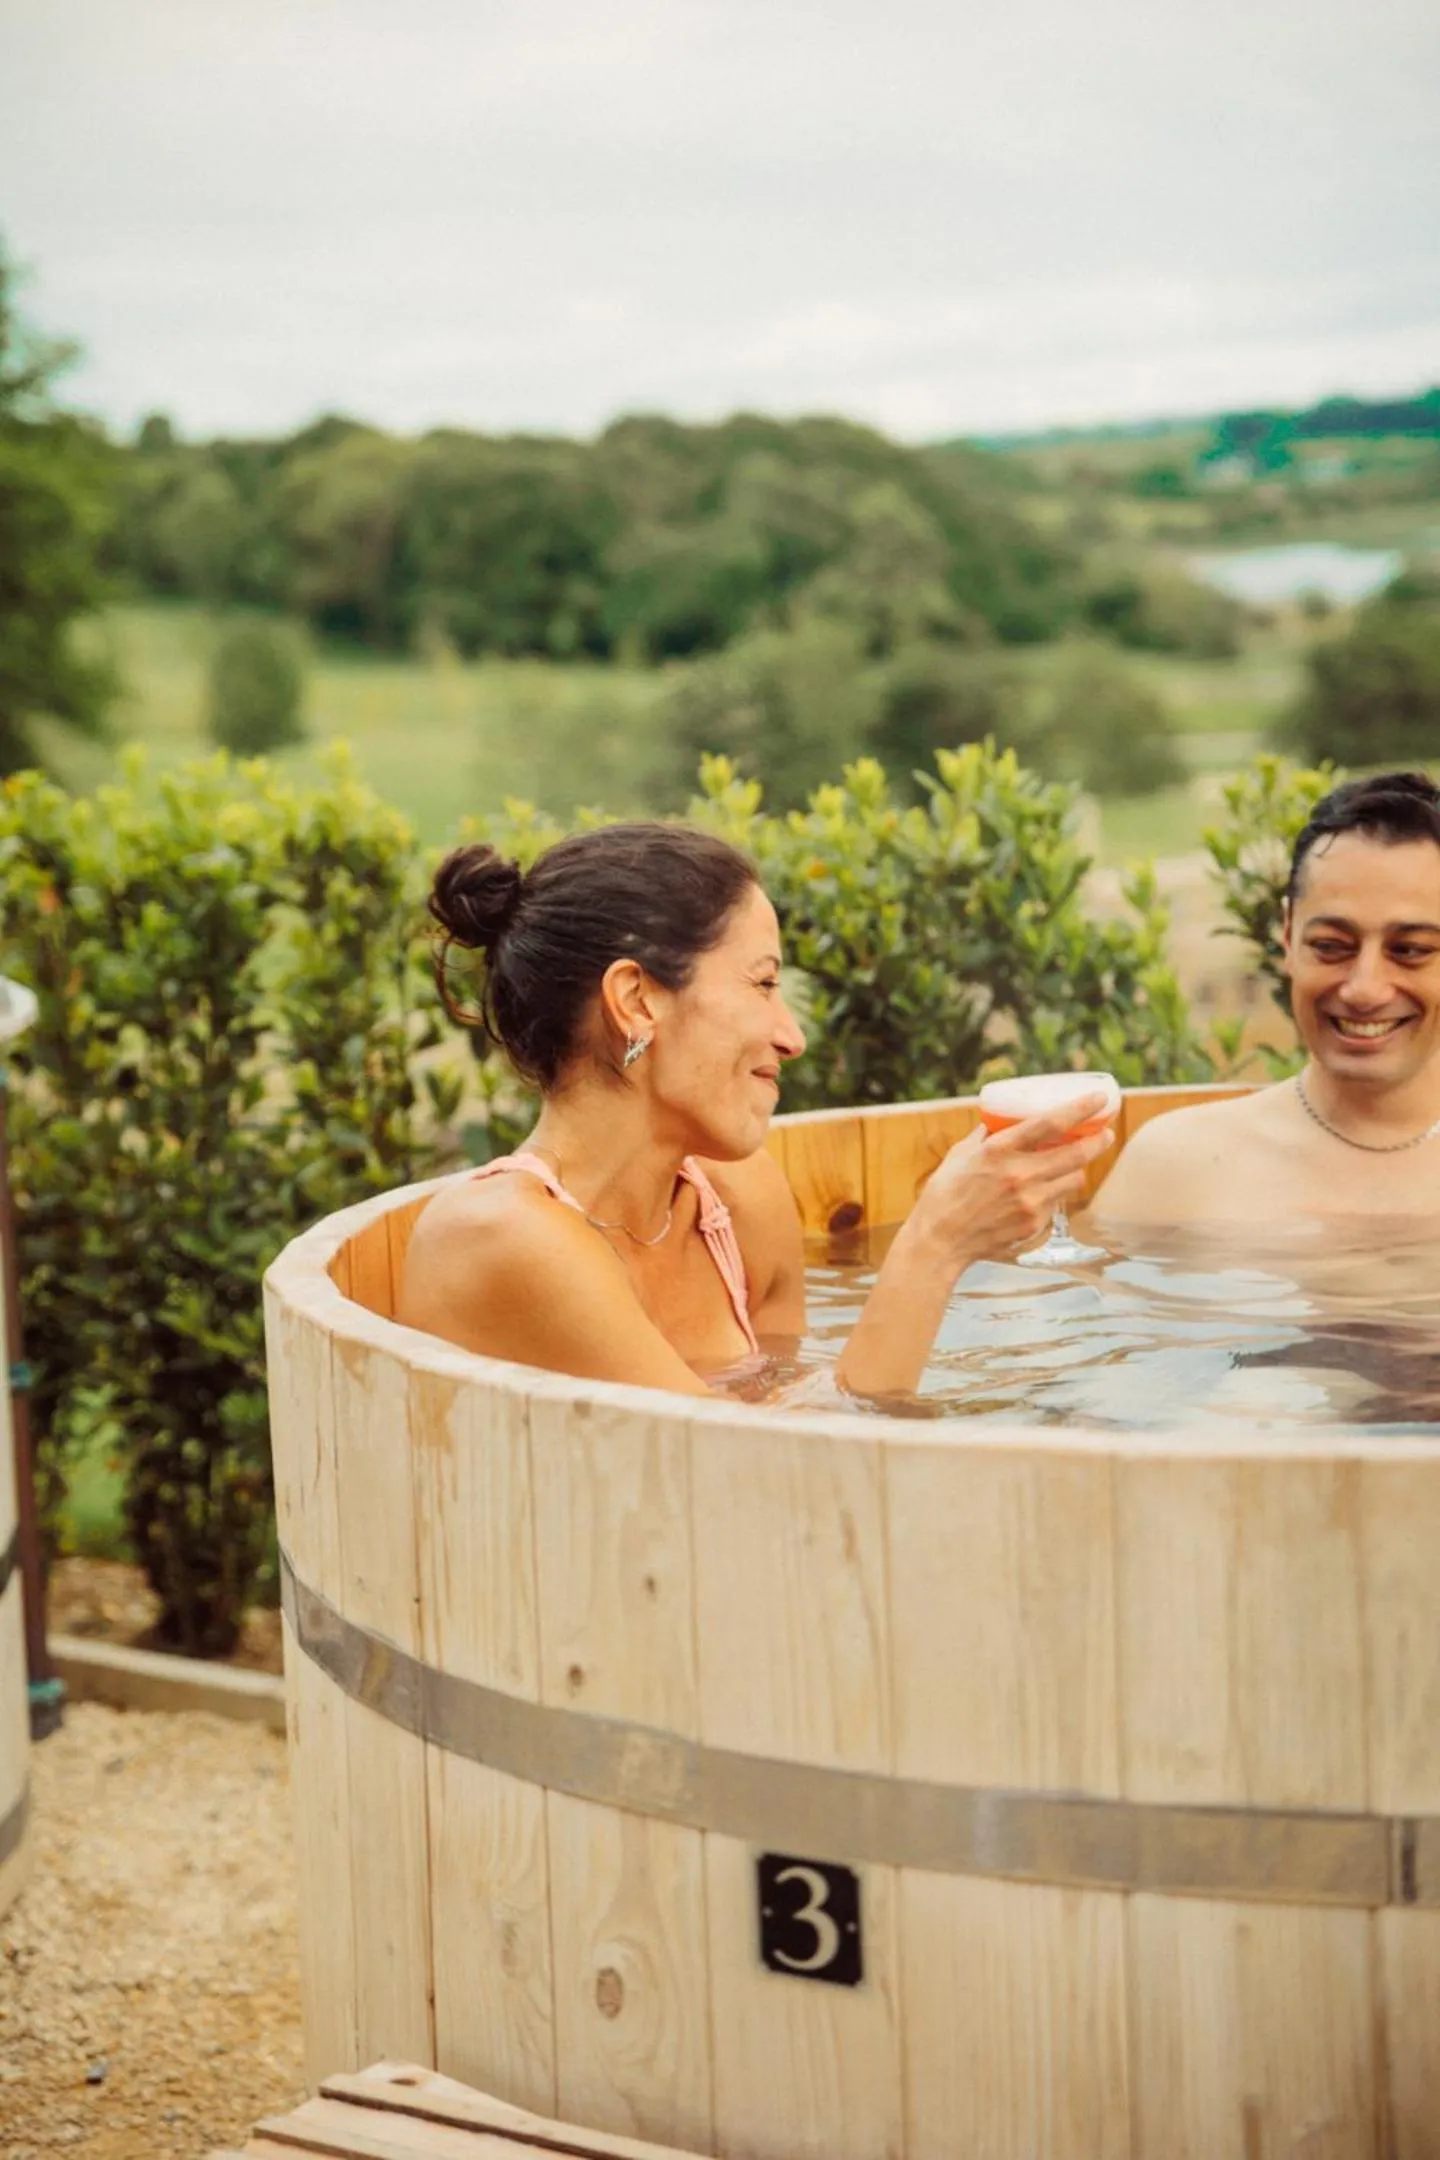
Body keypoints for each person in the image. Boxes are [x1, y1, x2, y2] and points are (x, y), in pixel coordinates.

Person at [398, 823, 1111, 1397]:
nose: (791, 1037)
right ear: (636, 1001)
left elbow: (809, 1409)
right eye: (763, 983)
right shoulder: (502, 1237)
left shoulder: (738, 1204)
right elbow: (764, 1480)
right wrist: (932, 1248)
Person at [1093, 771, 1440, 1229]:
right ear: (1287, 934)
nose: (1365, 989)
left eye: (1410, 950)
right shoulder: (1176, 1170)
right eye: (1332, 946)